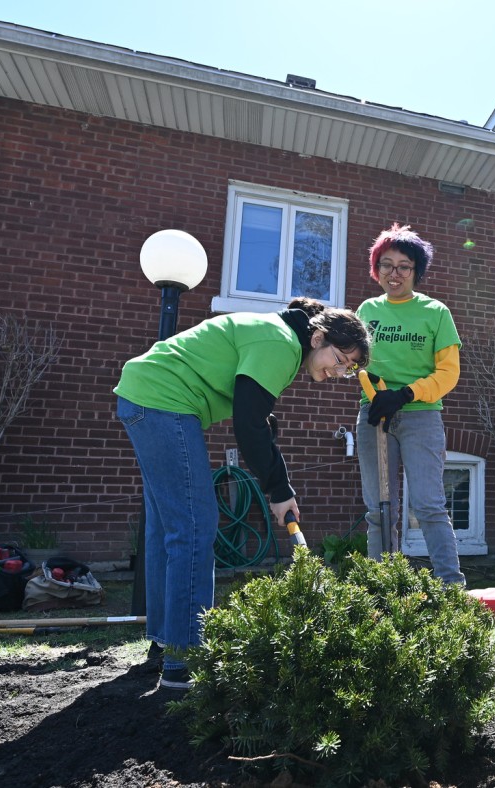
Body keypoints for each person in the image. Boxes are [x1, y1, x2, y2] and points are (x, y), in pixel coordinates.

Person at [114, 298, 369, 690]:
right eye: (339, 359)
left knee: (172, 529)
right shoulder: (281, 343)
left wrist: (278, 478)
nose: (339, 372)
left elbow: (257, 417)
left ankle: (167, 642)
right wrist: (278, 489)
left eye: (348, 370)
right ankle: (186, 659)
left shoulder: (277, 336)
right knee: (195, 528)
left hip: (146, 395)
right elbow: (248, 427)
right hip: (164, 400)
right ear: (318, 337)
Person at [356, 224, 466, 585]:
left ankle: (451, 587)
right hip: (374, 416)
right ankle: (381, 588)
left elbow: (448, 373)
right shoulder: (367, 309)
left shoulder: (435, 312)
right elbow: (358, 363)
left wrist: (404, 395)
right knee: (378, 510)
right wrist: (378, 398)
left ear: (417, 270)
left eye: (404, 266)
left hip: (421, 417)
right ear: (377, 269)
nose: (395, 273)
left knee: (429, 506)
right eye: (386, 265)